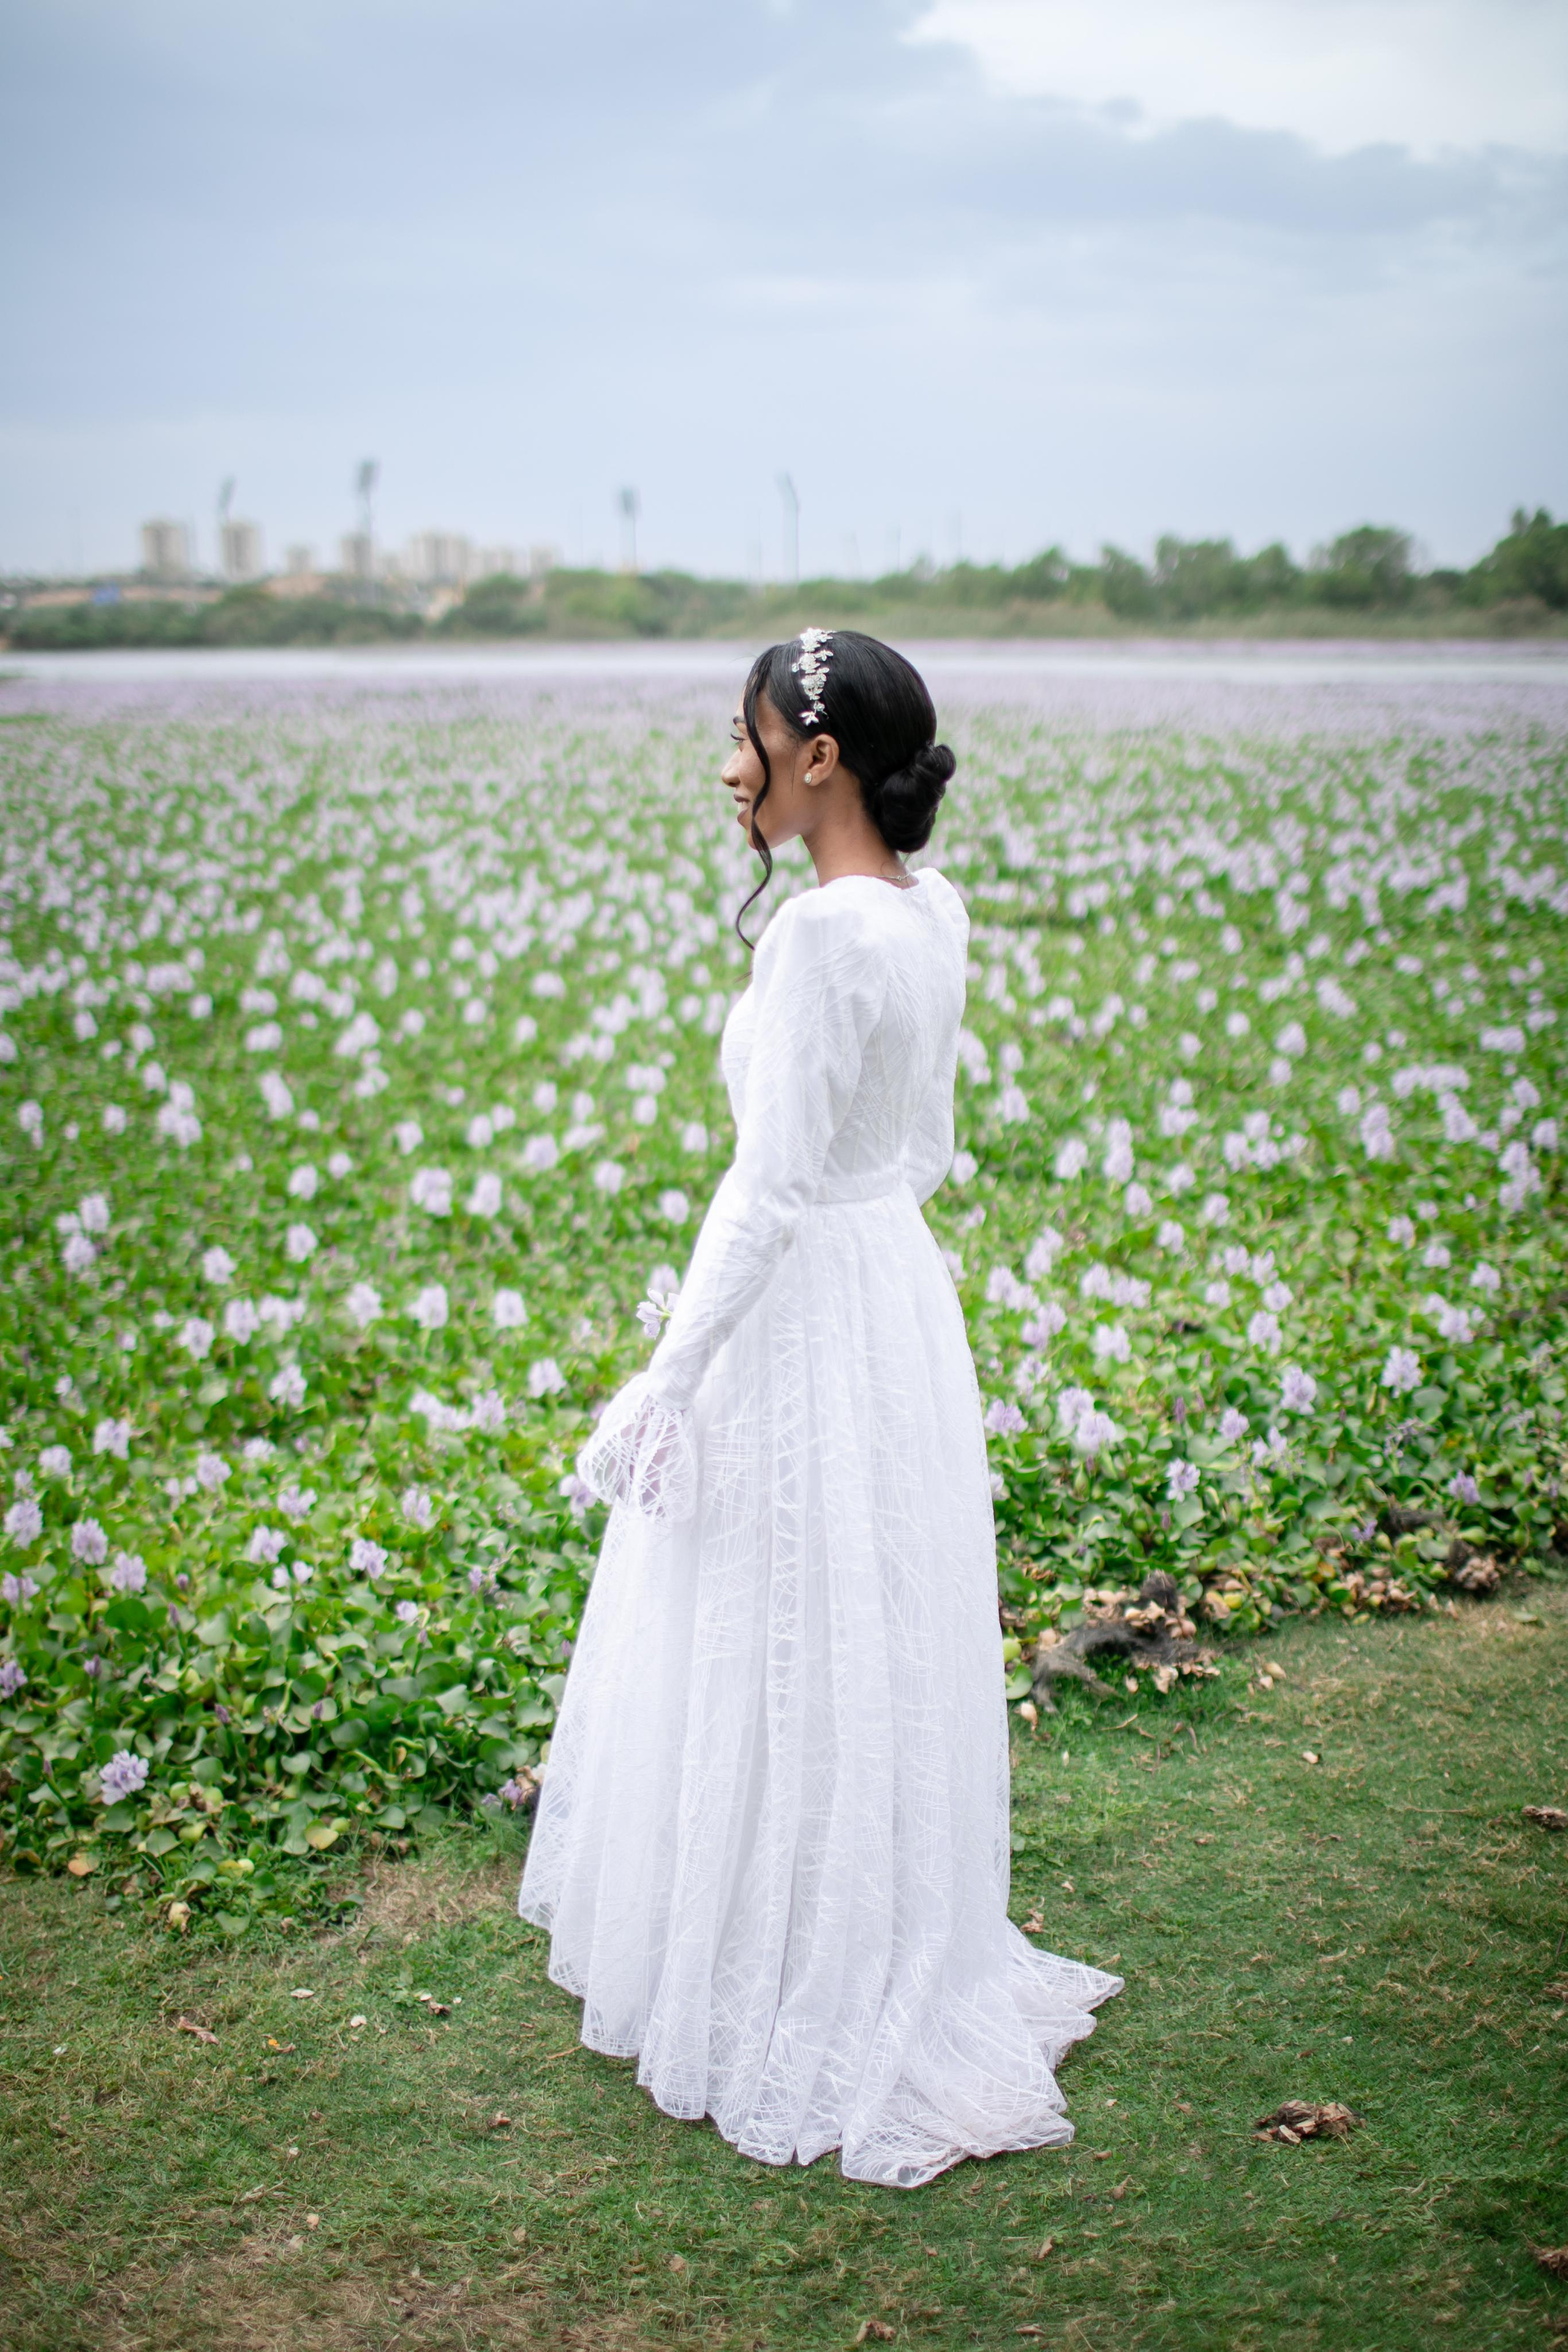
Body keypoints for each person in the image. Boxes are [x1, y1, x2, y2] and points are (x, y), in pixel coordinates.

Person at [519, 629, 1120, 2188]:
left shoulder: (817, 938)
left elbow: (766, 1188)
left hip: (798, 1302)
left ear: (818, 756)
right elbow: (915, 1150)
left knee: (772, 1609)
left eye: (744, 738)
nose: (729, 768)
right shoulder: (930, 910)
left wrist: (669, 1374)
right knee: (863, 1615)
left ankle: (790, 1961)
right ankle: (846, 1924)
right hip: (891, 1290)